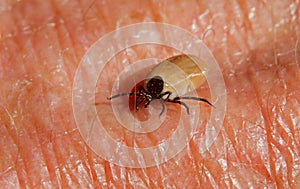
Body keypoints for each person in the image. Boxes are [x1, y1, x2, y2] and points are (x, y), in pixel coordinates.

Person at [1, 0, 299, 188]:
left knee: (181, 100)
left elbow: (164, 92)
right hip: (170, 79)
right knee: (177, 99)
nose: (143, 102)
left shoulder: (156, 86)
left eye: (143, 100)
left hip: (174, 78)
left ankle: (194, 101)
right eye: (143, 100)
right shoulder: (151, 86)